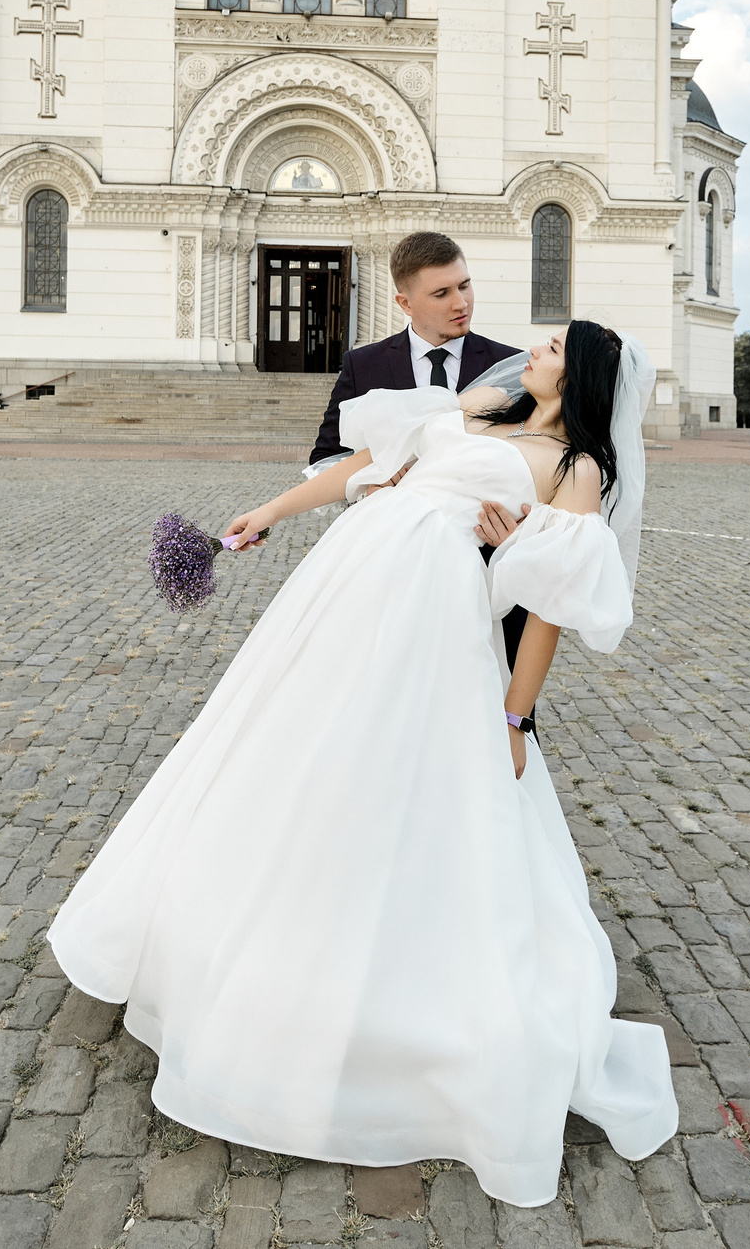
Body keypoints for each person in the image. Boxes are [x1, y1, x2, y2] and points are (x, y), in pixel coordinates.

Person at [49, 320, 672, 1206]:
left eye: (555, 347)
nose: (533, 348)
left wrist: (515, 711)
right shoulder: (478, 408)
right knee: (282, 751)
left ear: (585, 376)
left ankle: (364, 992)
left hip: (431, 618)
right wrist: (269, 509)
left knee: (381, 783)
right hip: (348, 584)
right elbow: (368, 469)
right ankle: (215, 948)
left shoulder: (578, 469)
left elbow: (550, 605)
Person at [312, 232, 528, 663]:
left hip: (488, 569)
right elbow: (324, 459)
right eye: (442, 293)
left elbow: (530, 461)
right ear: (405, 303)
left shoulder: (512, 367)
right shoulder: (365, 365)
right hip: (393, 568)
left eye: (465, 285)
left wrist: (519, 532)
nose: (460, 303)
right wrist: (370, 486)